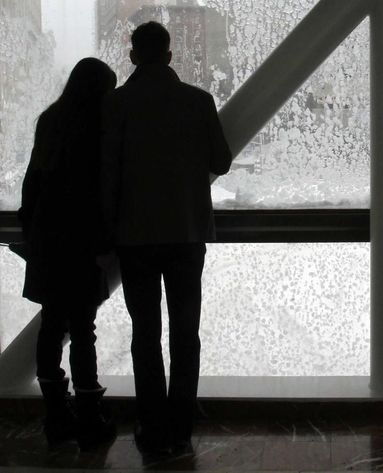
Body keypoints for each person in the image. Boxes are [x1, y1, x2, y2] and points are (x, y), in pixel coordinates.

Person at [100, 21, 232, 455]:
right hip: (186, 231)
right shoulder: (198, 101)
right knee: (184, 330)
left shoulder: (116, 105)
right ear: (170, 56)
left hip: (135, 235)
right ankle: (181, 422)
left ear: (133, 55)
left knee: (146, 331)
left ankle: (151, 420)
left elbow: (107, 174)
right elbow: (222, 161)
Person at [19, 57, 118, 449]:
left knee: (51, 325)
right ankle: (90, 418)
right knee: (82, 330)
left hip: (48, 239)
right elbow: (102, 189)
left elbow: (34, 183)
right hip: (82, 241)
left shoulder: (50, 121)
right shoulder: (99, 127)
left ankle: (56, 418)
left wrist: (32, 235)